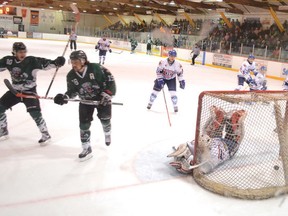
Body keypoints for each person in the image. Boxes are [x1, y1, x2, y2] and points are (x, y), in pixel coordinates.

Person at [53, 50, 116, 161]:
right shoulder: (71, 75)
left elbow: (110, 80)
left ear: (83, 61)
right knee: (84, 125)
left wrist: (107, 95)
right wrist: (65, 97)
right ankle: (86, 148)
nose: (73, 64)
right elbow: (72, 91)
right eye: (72, 61)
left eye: (76, 61)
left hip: (102, 99)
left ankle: (107, 133)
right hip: (85, 101)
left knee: (105, 120)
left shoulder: (96, 68)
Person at [0, 42, 66, 144]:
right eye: (20, 52)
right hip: (14, 91)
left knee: (35, 113)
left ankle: (45, 134)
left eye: (24, 51)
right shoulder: (8, 60)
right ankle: (3, 130)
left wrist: (56, 62)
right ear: (14, 52)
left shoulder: (31, 61)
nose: (23, 54)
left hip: (29, 92)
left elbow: (46, 64)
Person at [168, 106, 247, 174]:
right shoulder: (211, 157)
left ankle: (221, 121)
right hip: (228, 146)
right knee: (233, 134)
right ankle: (234, 122)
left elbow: (190, 146)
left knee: (205, 136)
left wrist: (183, 151)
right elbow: (205, 167)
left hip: (214, 141)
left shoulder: (201, 151)